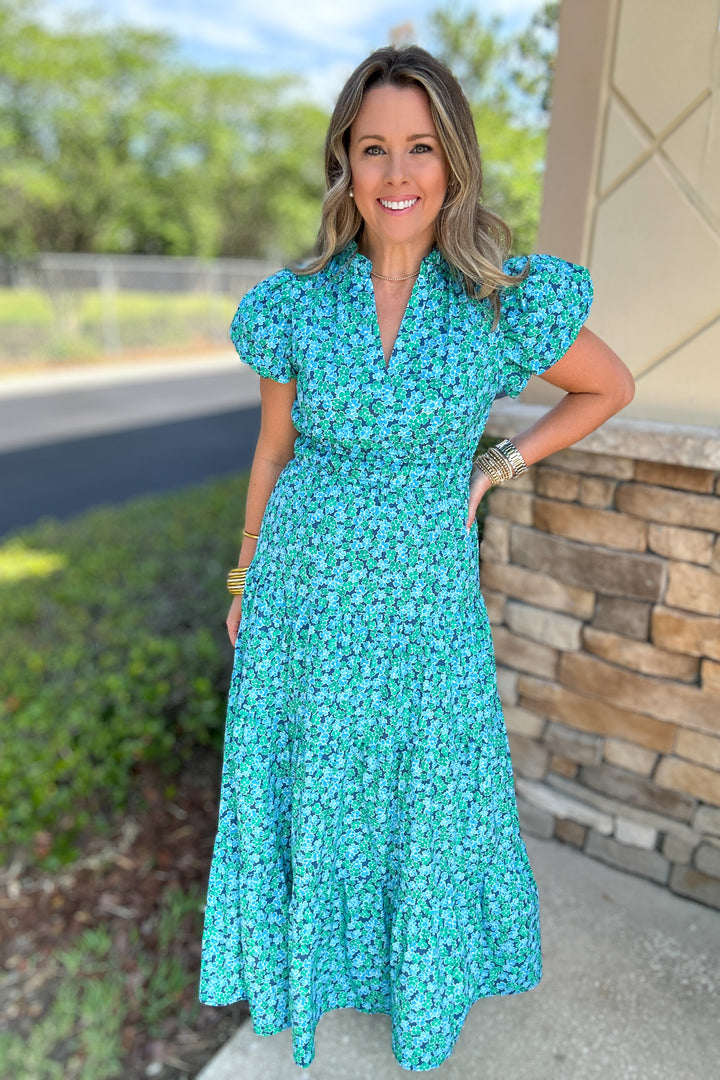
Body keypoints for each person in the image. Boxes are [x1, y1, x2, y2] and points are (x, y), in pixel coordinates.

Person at [198, 44, 634, 1073]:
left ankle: (415, 986)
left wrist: (496, 465)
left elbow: (606, 387)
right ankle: (323, 966)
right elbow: (272, 449)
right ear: (345, 161)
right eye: (375, 148)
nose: (399, 175)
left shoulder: (497, 297)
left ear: (454, 162)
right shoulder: (297, 304)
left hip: (424, 602)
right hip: (302, 595)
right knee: (318, 788)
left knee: (425, 797)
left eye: (422, 148)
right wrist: (244, 578)